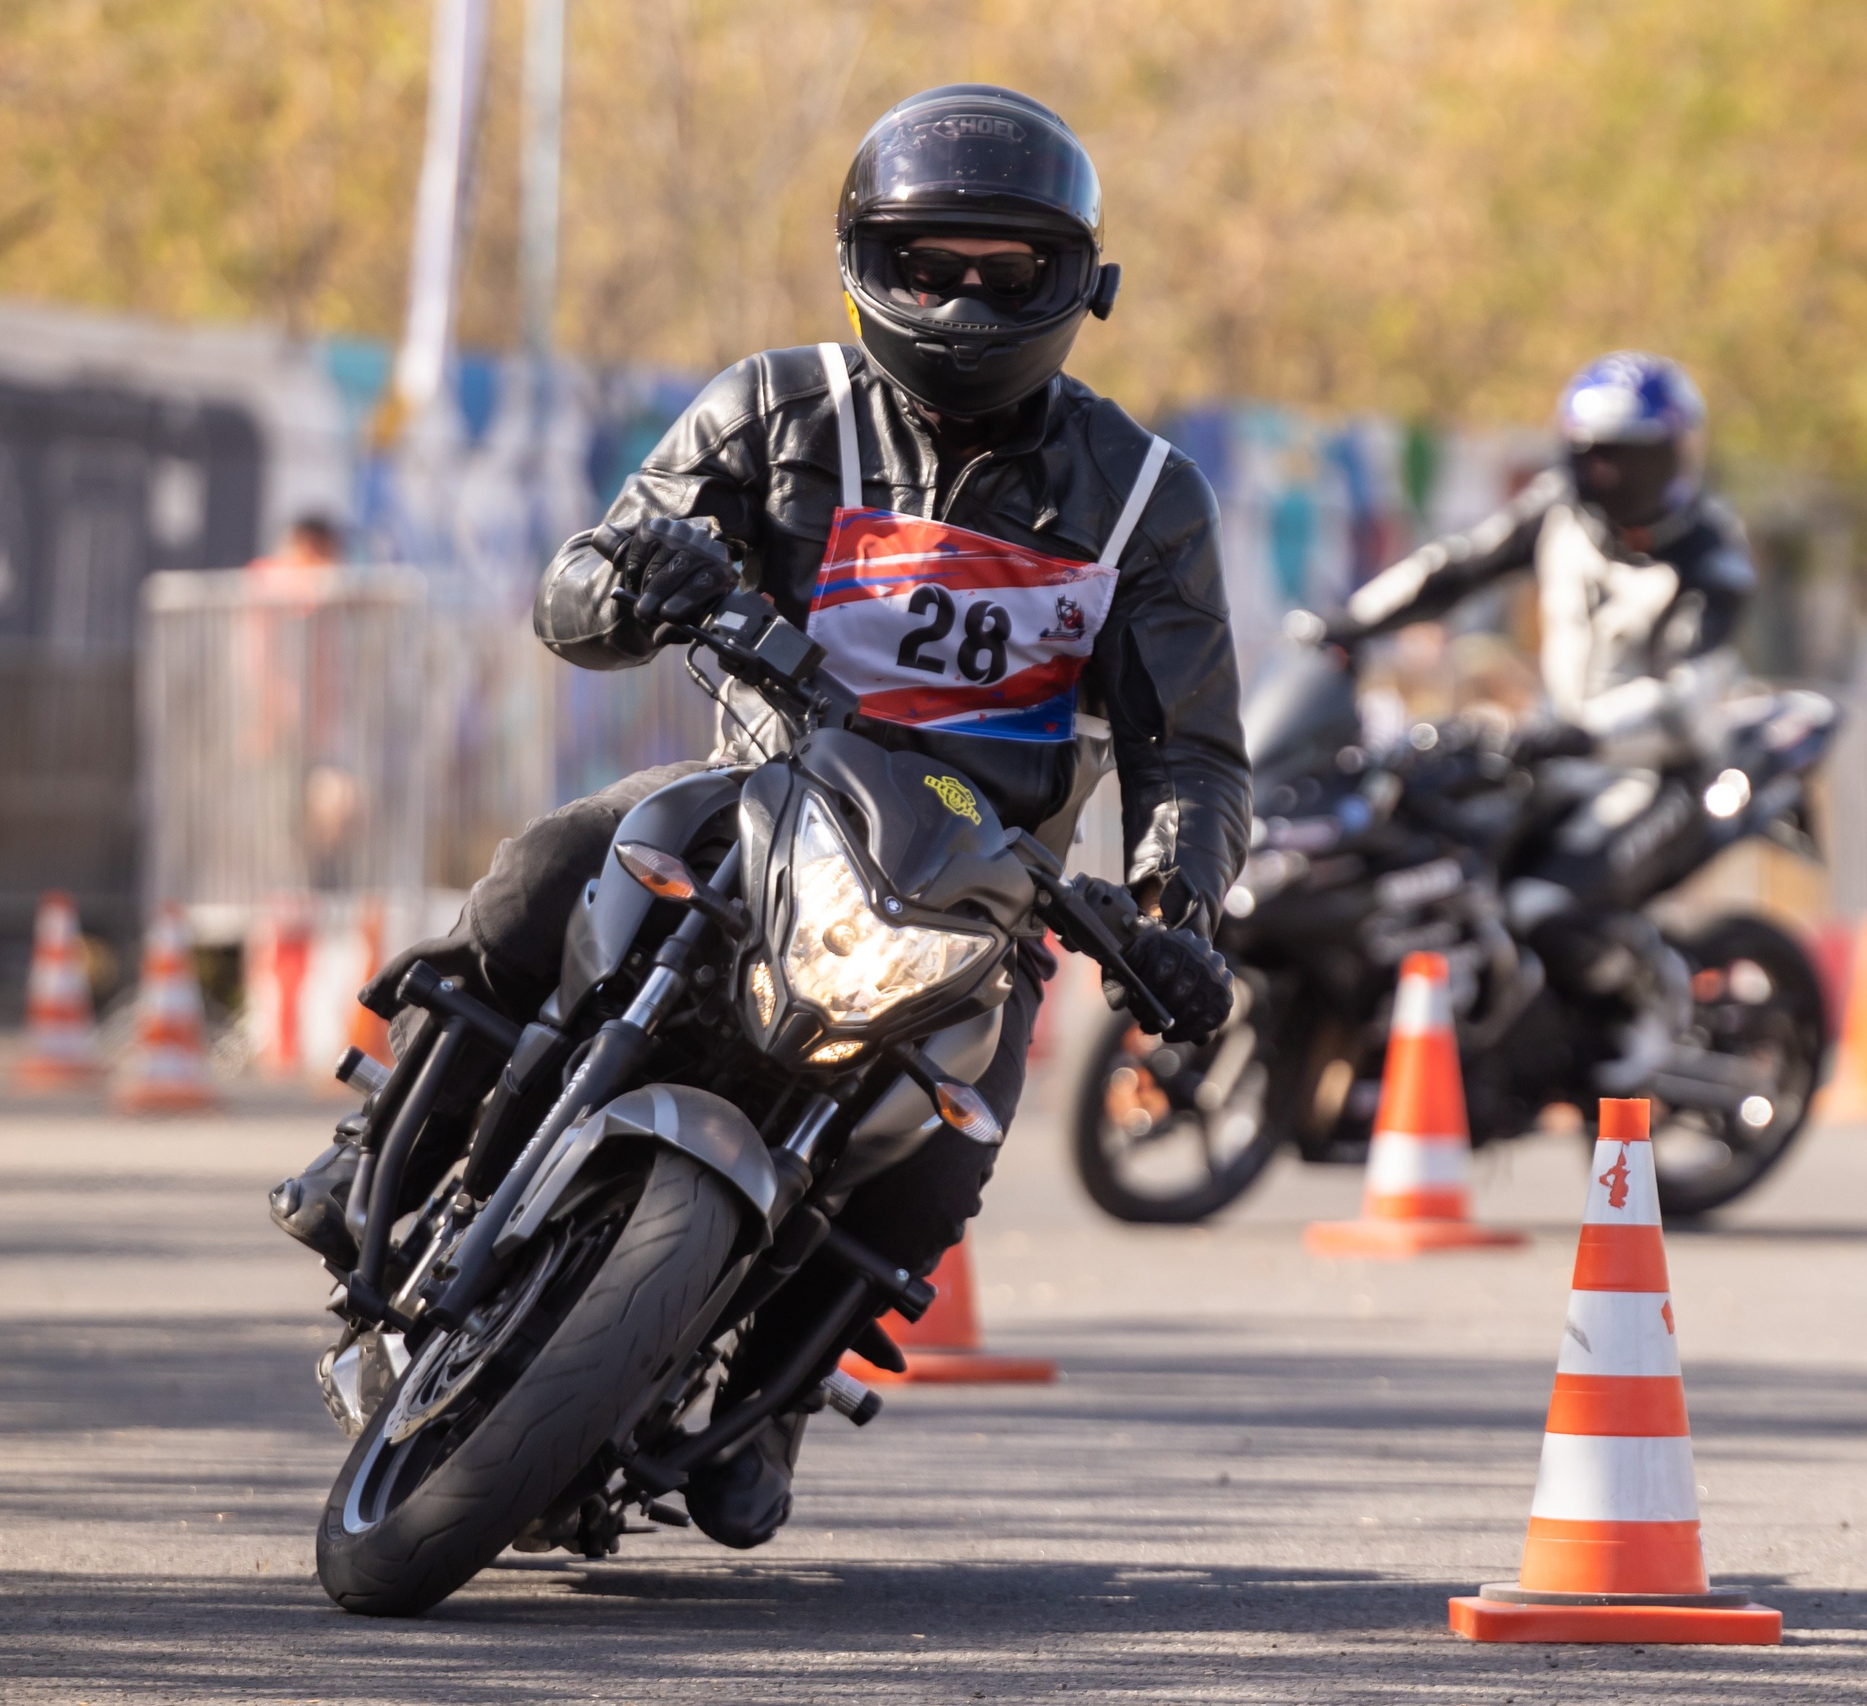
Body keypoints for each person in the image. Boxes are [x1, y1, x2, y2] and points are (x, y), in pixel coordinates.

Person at [273, 85, 1248, 1550]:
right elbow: (582, 579)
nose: (966, 299)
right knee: (553, 858)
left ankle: (775, 1391)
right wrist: (624, 584)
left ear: (1079, 286)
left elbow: (1198, 755)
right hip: (761, 797)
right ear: (864, 258)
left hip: (981, 894)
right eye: (931, 265)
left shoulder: (1148, 501)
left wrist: (1178, 899)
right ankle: (378, 1149)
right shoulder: (769, 408)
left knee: (954, 1143)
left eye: (1008, 271)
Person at [1302, 354, 1766, 1081]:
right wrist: (1346, 625)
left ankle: (1647, 1013)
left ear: (1674, 456)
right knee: (1446, 858)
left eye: (1631, 458)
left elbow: (1690, 688)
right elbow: (1454, 568)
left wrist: (1584, 729)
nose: (1610, 475)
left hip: (1661, 766)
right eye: (1597, 456)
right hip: (1558, 752)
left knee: (1547, 901)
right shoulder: (1557, 509)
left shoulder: (1712, 551)